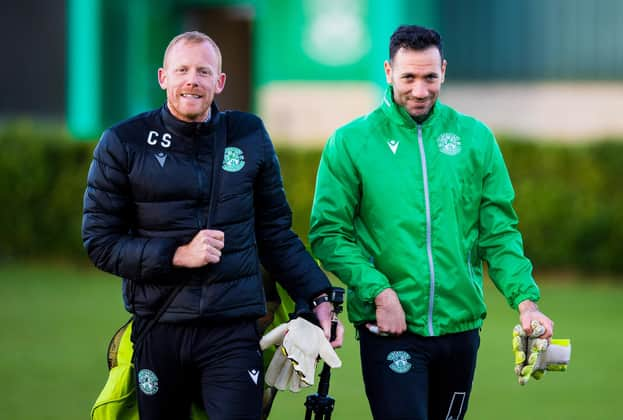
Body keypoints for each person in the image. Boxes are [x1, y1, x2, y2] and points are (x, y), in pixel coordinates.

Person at [82, 31, 343, 420]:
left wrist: (319, 298)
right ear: (163, 77)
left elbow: (275, 234)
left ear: (219, 82)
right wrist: (176, 255)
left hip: (233, 330)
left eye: (204, 71)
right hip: (159, 327)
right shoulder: (123, 142)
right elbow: (100, 242)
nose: (192, 80)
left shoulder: (248, 135)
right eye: (182, 70)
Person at [309, 25, 554, 420]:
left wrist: (527, 303)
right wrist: (379, 292)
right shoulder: (351, 142)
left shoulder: (475, 138)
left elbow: (499, 233)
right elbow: (328, 234)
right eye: (408, 77)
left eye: (430, 77)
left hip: (460, 330)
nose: (420, 90)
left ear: (443, 69)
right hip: (390, 331)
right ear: (389, 71)